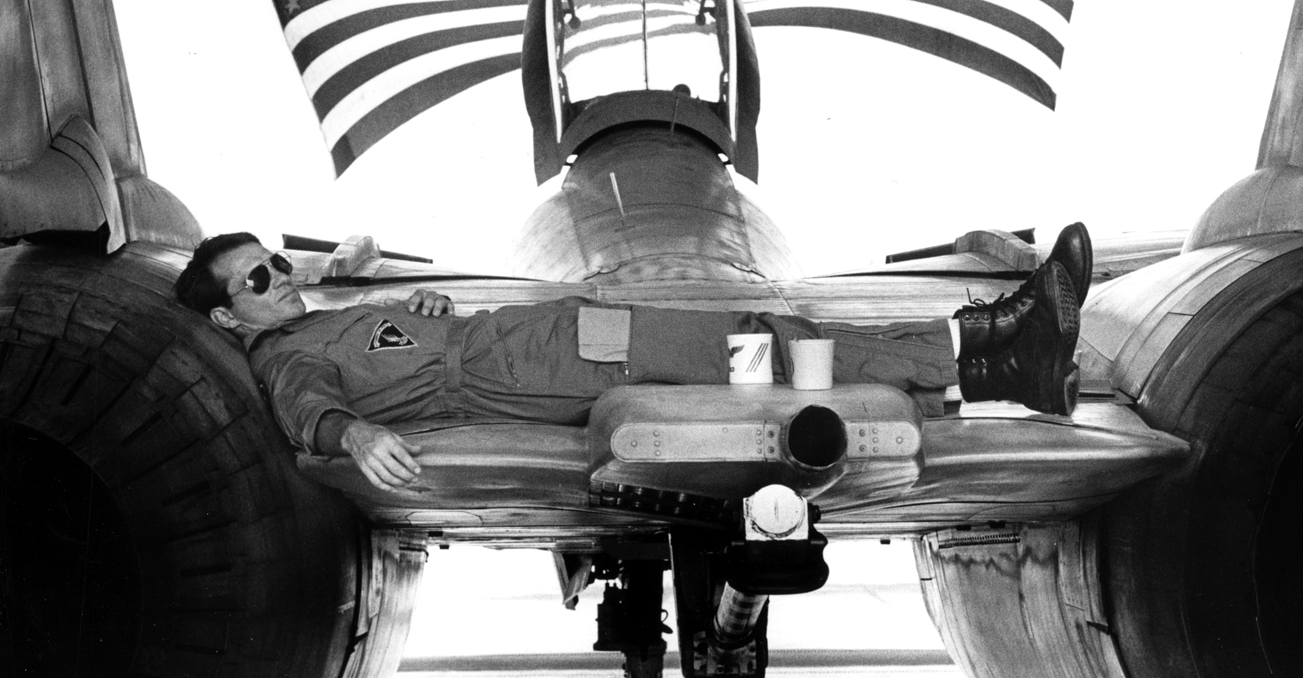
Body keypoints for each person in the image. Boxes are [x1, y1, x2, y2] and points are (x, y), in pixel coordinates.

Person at [174, 225, 1091, 492]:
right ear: (228, 317)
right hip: (547, 365)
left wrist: (419, 306)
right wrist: (354, 431)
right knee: (763, 349)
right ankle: (985, 339)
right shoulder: (284, 357)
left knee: (764, 357)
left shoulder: (325, 314)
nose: (281, 276)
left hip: (551, 342)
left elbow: (391, 345)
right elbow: (304, 405)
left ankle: (1007, 369)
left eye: (277, 261)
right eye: (257, 278)